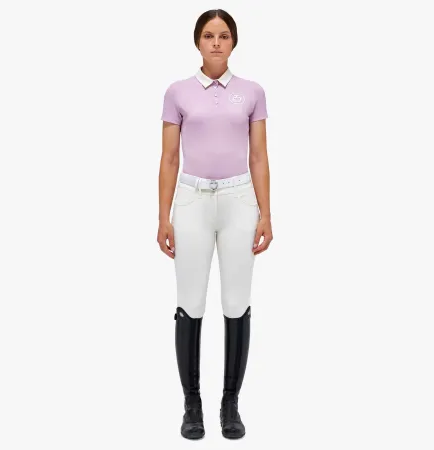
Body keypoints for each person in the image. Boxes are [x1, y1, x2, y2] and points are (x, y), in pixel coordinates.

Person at [157, 9, 273, 440]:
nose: (217, 43)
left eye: (224, 36)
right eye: (209, 36)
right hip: (192, 200)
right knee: (190, 301)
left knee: (236, 301)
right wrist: (163, 216)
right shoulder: (177, 93)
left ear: (234, 41)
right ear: (198, 42)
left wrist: (266, 212)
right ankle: (192, 404)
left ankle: (230, 403)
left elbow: (258, 156)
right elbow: (169, 157)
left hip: (239, 200)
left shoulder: (252, 92)